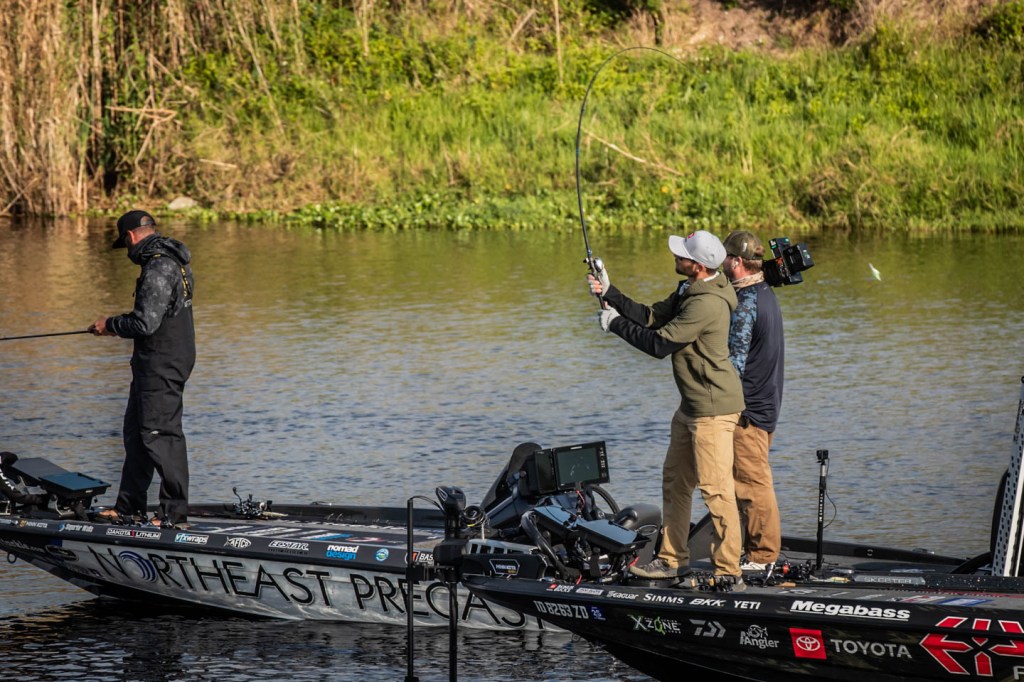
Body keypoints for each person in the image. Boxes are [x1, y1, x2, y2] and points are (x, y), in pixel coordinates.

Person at [589, 231, 746, 585]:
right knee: (675, 482)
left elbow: (659, 344)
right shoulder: (689, 289)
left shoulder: (706, 304)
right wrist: (610, 292)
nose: (676, 256)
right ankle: (673, 560)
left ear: (699, 266)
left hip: (713, 410)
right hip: (691, 406)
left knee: (717, 491)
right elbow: (651, 317)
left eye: (682, 255)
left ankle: (729, 572)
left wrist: (615, 324)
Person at [89, 210, 195, 527]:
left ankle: (173, 514)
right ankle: (128, 507)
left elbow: (145, 323)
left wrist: (110, 325)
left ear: (131, 236)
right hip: (155, 362)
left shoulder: (158, 266)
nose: (128, 252)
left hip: (162, 363)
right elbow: (154, 315)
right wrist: (116, 326)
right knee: (138, 434)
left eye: (125, 245)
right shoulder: (172, 260)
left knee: (161, 435)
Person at [721, 231, 784, 572]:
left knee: (751, 484)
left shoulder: (745, 303)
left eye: (725, 256)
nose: (721, 262)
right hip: (767, 402)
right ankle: (755, 551)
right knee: (751, 481)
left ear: (736, 261)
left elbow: (734, 364)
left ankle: (762, 557)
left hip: (749, 412)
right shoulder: (764, 292)